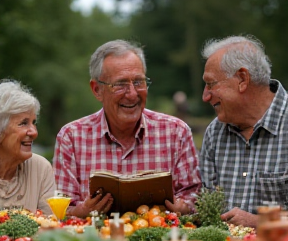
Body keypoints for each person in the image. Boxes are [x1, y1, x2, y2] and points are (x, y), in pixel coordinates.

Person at [53, 39, 201, 218]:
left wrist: (182, 207)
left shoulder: (176, 132)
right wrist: (84, 211)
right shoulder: (71, 137)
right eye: (120, 84)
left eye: (138, 82)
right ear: (97, 90)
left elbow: (195, 196)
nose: (132, 94)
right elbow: (62, 210)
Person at [200, 34, 288, 228]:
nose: (205, 96)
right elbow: (206, 208)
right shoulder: (215, 132)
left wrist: (257, 222)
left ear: (242, 79)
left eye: (211, 83)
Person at [0, 79, 56, 215]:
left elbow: (52, 227)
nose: (34, 132)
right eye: (23, 123)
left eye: (34, 122)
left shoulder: (40, 168)